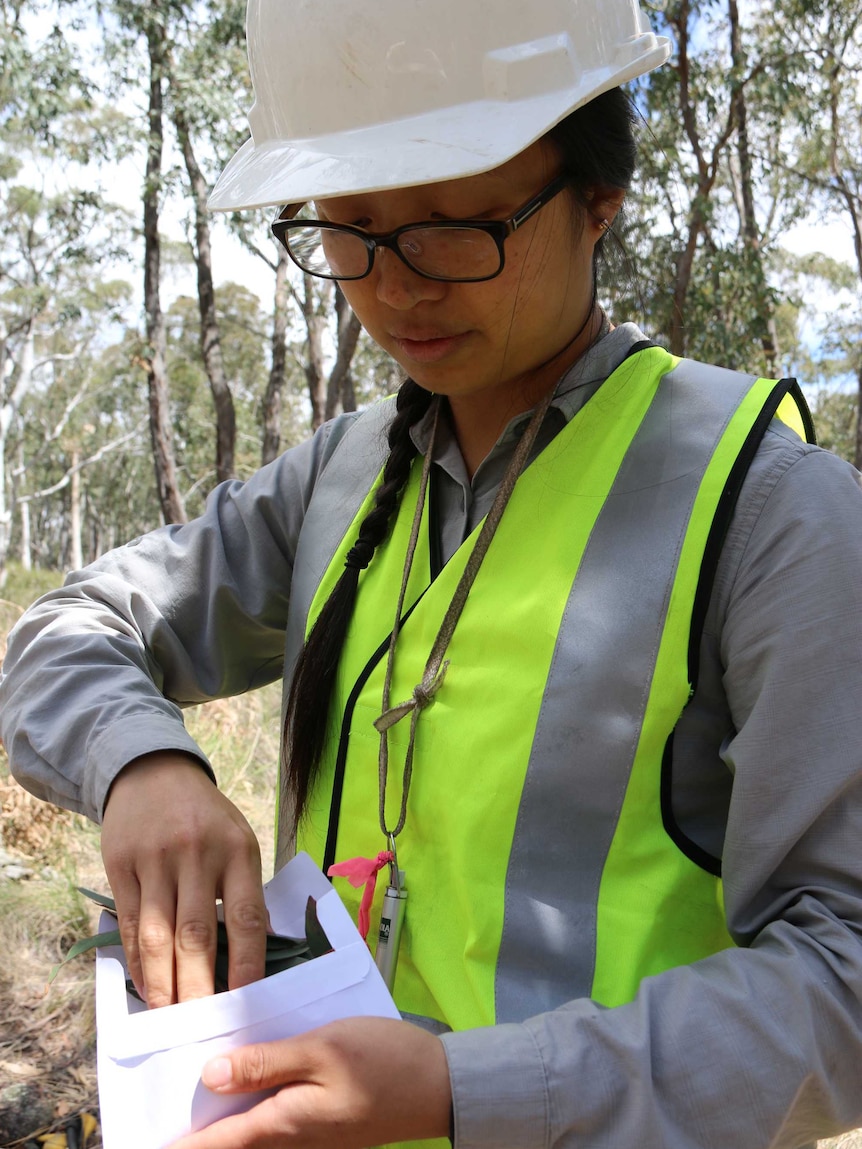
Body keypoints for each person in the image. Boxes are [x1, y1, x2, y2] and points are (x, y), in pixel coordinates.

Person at [2, 0, 862, 1146]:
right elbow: (68, 628)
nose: (396, 287)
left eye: (457, 227)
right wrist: (142, 764)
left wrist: (466, 1092)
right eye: (350, 231)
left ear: (599, 199)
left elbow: (842, 981)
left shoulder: (763, 507)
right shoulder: (340, 478)